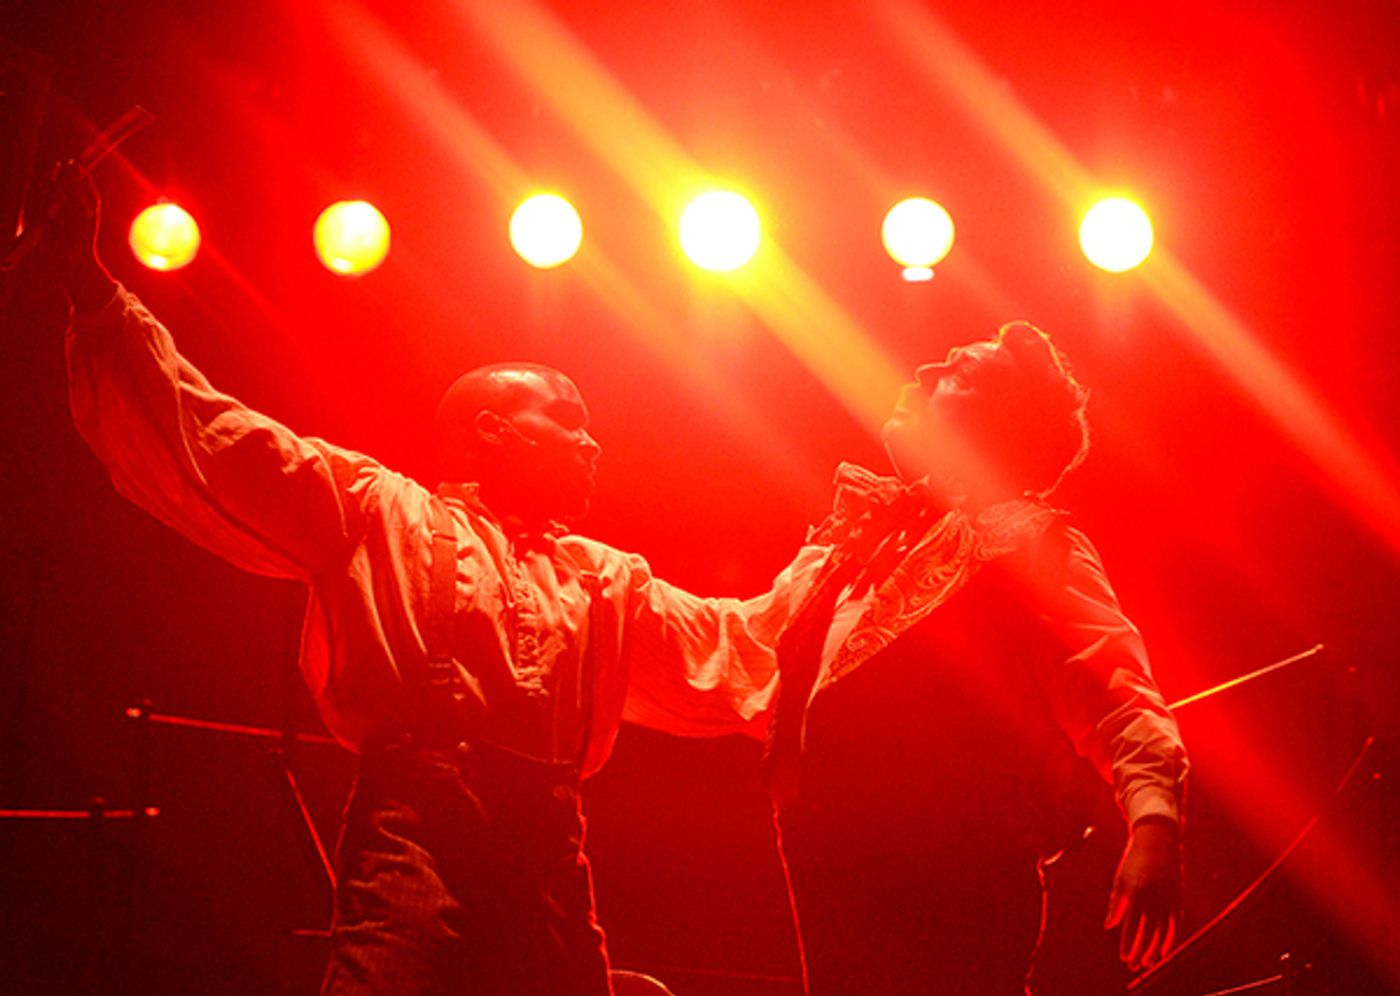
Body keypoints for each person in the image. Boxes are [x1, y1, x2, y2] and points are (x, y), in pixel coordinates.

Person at [44, 166, 820, 996]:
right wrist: (94, 292)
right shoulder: (377, 510)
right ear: (492, 431)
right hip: (415, 828)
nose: (591, 445)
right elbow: (220, 437)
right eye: (566, 421)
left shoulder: (600, 578)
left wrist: (868, 552)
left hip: (549, 843)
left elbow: (735, 644)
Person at [629, 323, 1189, 995]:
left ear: (1004, 425)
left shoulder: (1028, 542)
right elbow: (737, 645)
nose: (922, 369)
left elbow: (1114, 685)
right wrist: (589, 586)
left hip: (956, 881)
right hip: (827, 877)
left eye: (959, 373)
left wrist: (1154, 823)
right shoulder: (848, 556)